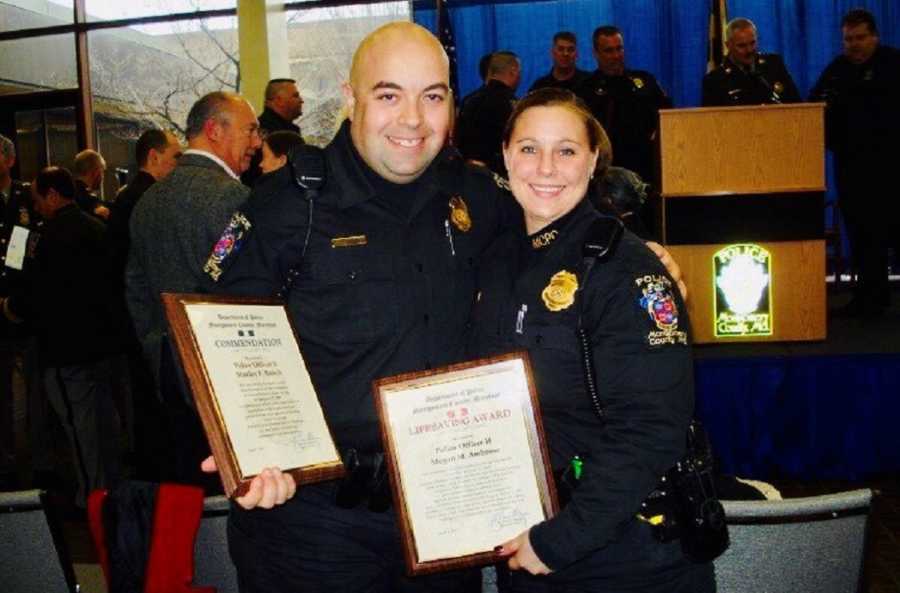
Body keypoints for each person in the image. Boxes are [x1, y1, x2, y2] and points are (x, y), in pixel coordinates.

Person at [202, 21, 688, 593]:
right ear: (350, 98)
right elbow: (203, 340)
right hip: (315, 527)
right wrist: (239, 442)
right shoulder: (285, 207)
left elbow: (560, 225)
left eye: (431, 97)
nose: (412, 120)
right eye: (388, 95)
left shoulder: (479, 196)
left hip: (448, 519)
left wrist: (645, 258)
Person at [470, 87, 714, 592]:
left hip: (623, 556)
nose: (546, 167)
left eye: (566, 150)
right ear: (506, 156)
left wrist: (561, 540)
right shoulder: (493, 259)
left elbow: (651, 430)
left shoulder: (627, 269)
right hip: (530, 541)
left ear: (593, 160)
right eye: (529, 148)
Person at [126, 91, 259, 488]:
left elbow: (134, 286)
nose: (256, 143)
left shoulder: (147, 202)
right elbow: (246, 282)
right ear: (215, 130)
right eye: (250, 130)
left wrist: (156, 342)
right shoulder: (236, 200)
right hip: (226, 374)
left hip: (167, 368)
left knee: (187, 485)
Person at [2, 166, 123, 508]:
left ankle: (90, 498)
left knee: (79, 426)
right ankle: (113, 490)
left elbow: (36, 291)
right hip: (102, 344)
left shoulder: (46, 237)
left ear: (52, 196)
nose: (36, 206)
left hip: (64, 347)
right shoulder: (98, 228)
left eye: (39, 198)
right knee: (106, 424)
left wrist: (10, 307)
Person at [810, 9, 900, 318]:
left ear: (874, 36)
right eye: (848, 39)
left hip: (891, 167)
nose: (854, 45)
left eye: (860, 38)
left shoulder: (893, 63)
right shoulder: (838, 70)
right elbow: (813, 107)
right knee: (862, 234)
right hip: (852, 167)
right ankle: (869, 298)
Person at [107, 128, 182, 481]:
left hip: (139, 320)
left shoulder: (131, 198)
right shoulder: (145, 200)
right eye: (175, 158)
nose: (179, 166)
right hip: (144, 322)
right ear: (153, 157)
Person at [575, 26, 670, 185]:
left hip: (644, 168)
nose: (616, 56)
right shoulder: (586, 89)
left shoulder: (644, 80)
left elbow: (667, 116)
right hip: (606, 171)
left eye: (619, 49)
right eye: (609, 50)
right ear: (596, 53)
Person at [702, 18, 801, 106]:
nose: (749, 50)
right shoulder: (715, 80)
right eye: (741, 46)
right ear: (728, 45)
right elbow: (713, 121)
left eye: (752, 43)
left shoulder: (774, 64)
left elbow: (796, 104)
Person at [455, 51, 521, 174]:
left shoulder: (469, 101)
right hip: (502, 175)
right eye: (519, 73)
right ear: (513, 71)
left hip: (470, 174)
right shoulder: (514, 105)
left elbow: (459, 142)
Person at [242, 78, 305, 186]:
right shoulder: (261, 131)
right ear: (279, 100)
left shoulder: (289, 129)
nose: (301, 100)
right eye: (295, 96)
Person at [73, 149, 110, 220]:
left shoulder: (71, 192)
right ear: (96, 172)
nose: (102, 177)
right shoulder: (88, 199)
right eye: (102, 172)